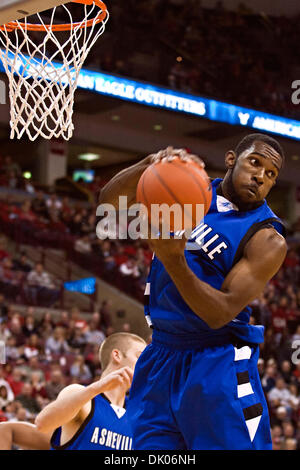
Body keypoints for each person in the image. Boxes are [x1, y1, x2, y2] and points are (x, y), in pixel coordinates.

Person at [99, 134, 287, 450]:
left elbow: (220, 313)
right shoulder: (189, 187)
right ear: (231, 159)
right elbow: (108, 204)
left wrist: (174, 260)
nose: (260, 177)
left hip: (217, 361)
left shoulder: (267, 239)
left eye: (271, 174)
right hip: (159, 354)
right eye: (255, 163)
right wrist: (149, 166)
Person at [0, 332, 146, 450]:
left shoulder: (139, 414)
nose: (146, 364)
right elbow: (42, 423)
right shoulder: (83, 396)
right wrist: (98, 387)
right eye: (140, 356)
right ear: (117, 355)